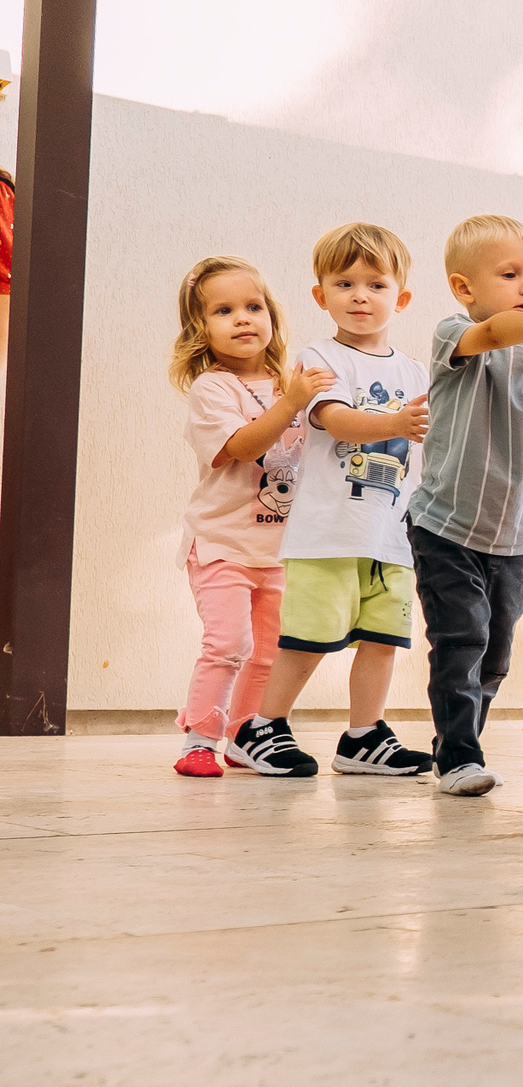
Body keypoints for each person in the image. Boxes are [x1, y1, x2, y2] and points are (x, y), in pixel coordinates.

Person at [231, 222, 433, 779]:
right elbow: (336, 420)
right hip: (329, 531)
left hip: (393, 535)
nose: (360, 296)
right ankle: (261, 727)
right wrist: (394, 421)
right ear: (321, 296)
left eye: (376, 284)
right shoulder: (319, 357)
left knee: (382, 639)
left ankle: (363, 736)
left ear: (402, 297)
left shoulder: (417, 370)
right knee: (308, 638)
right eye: (344, 284)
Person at [408, 215, 523, 798]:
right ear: (465, 288)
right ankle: (459, 757)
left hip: (513, 536)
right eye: (511, 274)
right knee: (460, 642)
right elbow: (494, 337)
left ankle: (464, 742)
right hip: (447, 527)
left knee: (493, 656)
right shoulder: (455, 332)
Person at [168, 256, 323, 778]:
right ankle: (199, 739)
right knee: (228, 643)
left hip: (280, 550)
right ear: (200, 330)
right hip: (220, 544)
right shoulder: (214, 388)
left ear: (272, 316)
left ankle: (246, 734)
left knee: (271, 652)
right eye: (224, 310)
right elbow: (240, 446)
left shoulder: (290, 382)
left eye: (253, 306)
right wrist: (290, 404)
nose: (242, 318)